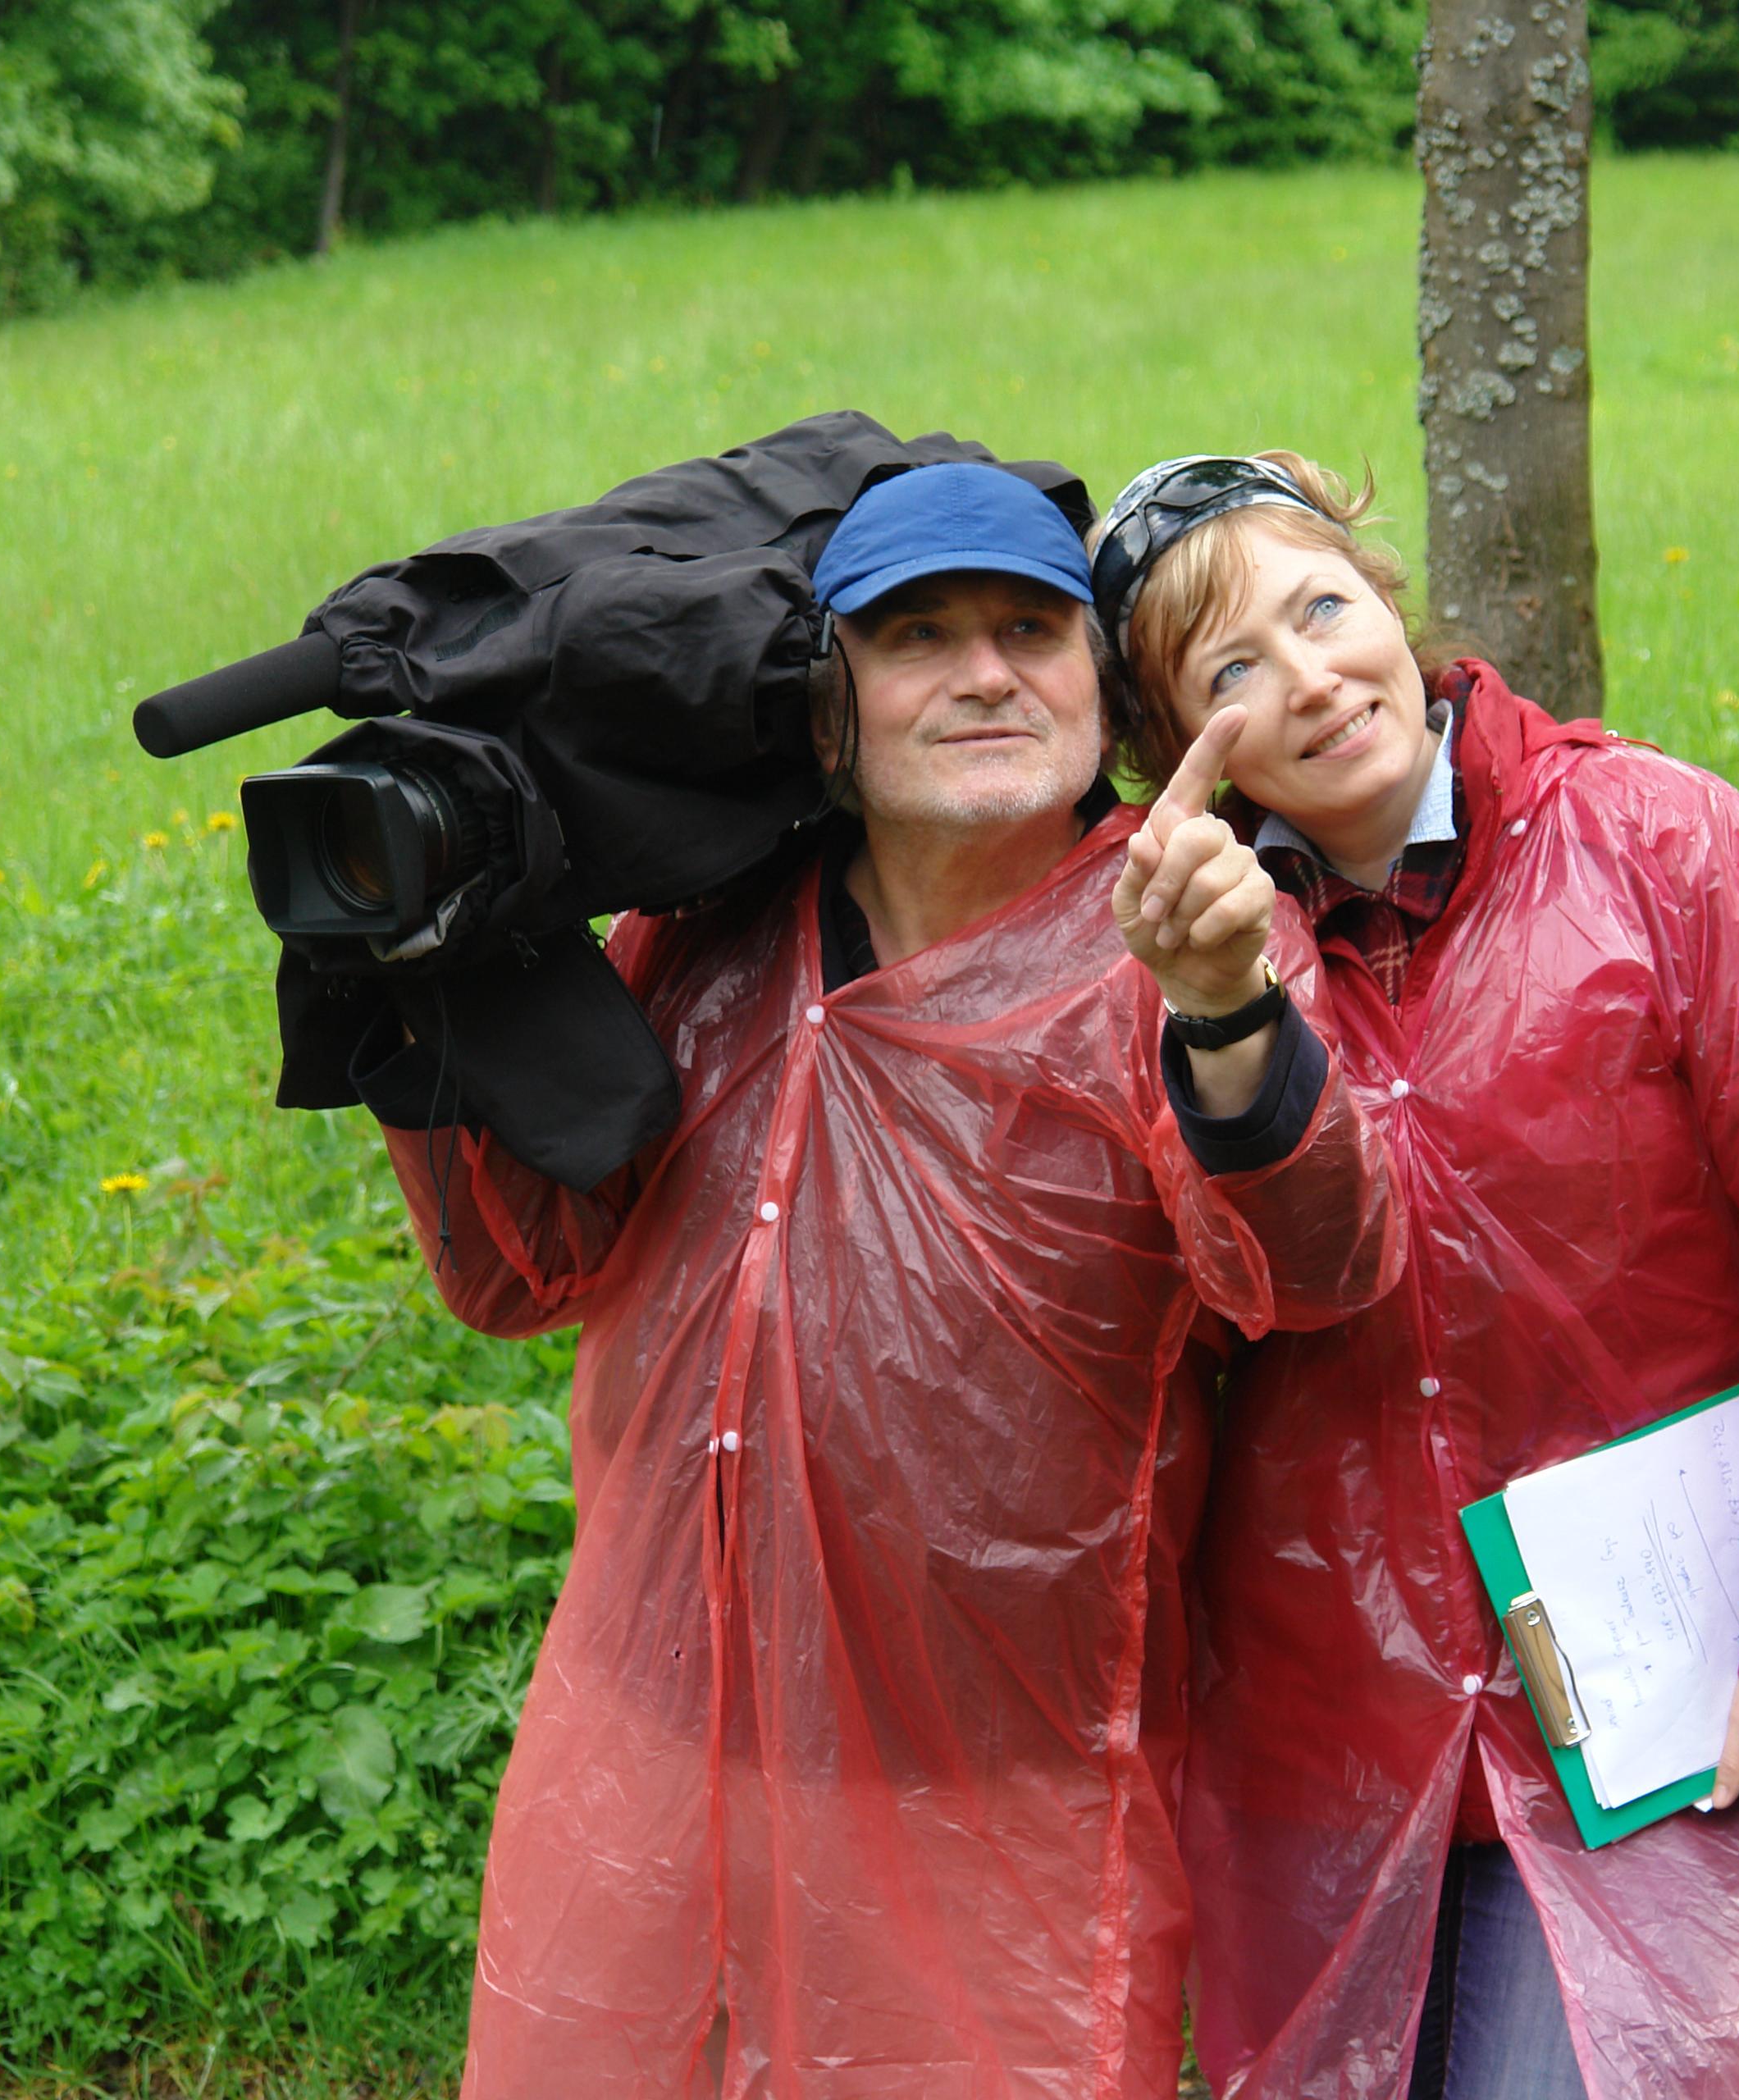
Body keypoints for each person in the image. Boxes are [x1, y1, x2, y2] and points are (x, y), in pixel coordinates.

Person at [354, 459, 1403, 2100]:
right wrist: (422, 992)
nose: (986, 671)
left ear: (1100, 687)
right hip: (654, 1753)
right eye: (919, 635)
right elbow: (519, 1266)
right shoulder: (709, 935)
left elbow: (1311, 1266)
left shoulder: (1176, 921)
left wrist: (1225, 1008)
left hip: (992, 1796)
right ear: (830, 710)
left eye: (1030, 630)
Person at [1092, 454, 1739, 2100]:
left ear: (1392, 605)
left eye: (1324, 607)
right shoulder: (1193, 962)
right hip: (1334, 1728)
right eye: (1231, 668)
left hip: (1668, 1694)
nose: (1310, 677)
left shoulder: (1660, 844)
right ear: (1178, 751)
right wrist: (1222, 1011)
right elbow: (1251, 1281)